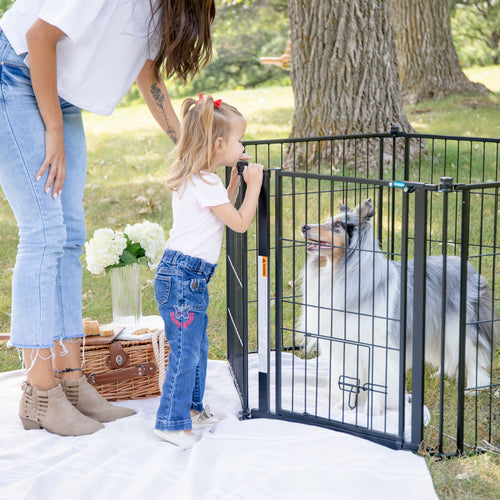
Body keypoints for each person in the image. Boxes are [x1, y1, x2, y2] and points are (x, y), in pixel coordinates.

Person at [0, 0, 216, 436]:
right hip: (15, 75)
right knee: (44, 233)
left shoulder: (161, 9)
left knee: (69, 235)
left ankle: (71, 382)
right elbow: (39, 38)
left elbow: (148, 77)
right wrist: (53, 130)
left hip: (58, 93)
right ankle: (41, 395)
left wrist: (190, 148)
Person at [153, 94, 263, 448]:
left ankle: (193, 409)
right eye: (238, 140)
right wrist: (255, 185)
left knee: (197, 346)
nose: (242, 145)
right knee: (187, 350)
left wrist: (233, 184)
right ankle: (170, 422)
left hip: (184, 276)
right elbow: (240, 223)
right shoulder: (205, 182)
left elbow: (218, 212)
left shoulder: (202, 178)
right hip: (184, 278)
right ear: (219, 144)